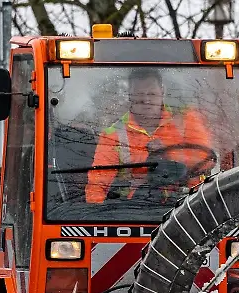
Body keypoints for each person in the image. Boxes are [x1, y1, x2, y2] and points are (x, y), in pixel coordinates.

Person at [84, 67, 216, 203]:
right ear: (130, 96)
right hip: (137, 208)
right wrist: (95, 212)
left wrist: (168, 153)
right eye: (140, 94)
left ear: (162, 92)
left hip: (189, 205)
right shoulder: (112, 135)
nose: (146, 100)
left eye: (152, 94)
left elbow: (206, 161)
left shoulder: (186, 120)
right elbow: (97, 184)